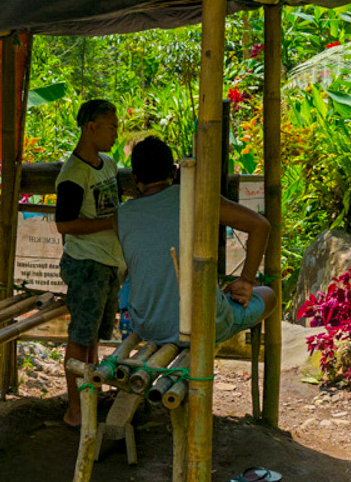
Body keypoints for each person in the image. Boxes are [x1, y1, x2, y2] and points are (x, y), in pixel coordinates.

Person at [114, 135, 274, 347]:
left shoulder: (121, 215)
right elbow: (260, 226)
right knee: (269, 295)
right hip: (204, 324)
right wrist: (246, 280)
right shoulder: (196, 197)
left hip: (148, 326)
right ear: (173, 172)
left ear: (134, 178)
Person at [52, 97, 125, 427]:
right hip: (85, 263)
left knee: (93, 336)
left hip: (107, 263)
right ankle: (75, 411)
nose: (115, 134)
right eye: (111, 127)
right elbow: (65, 225)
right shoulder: (73, 174)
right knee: (80, 337)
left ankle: (89, 396)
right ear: (90, 128)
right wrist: (110, 224)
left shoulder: (107, 164)